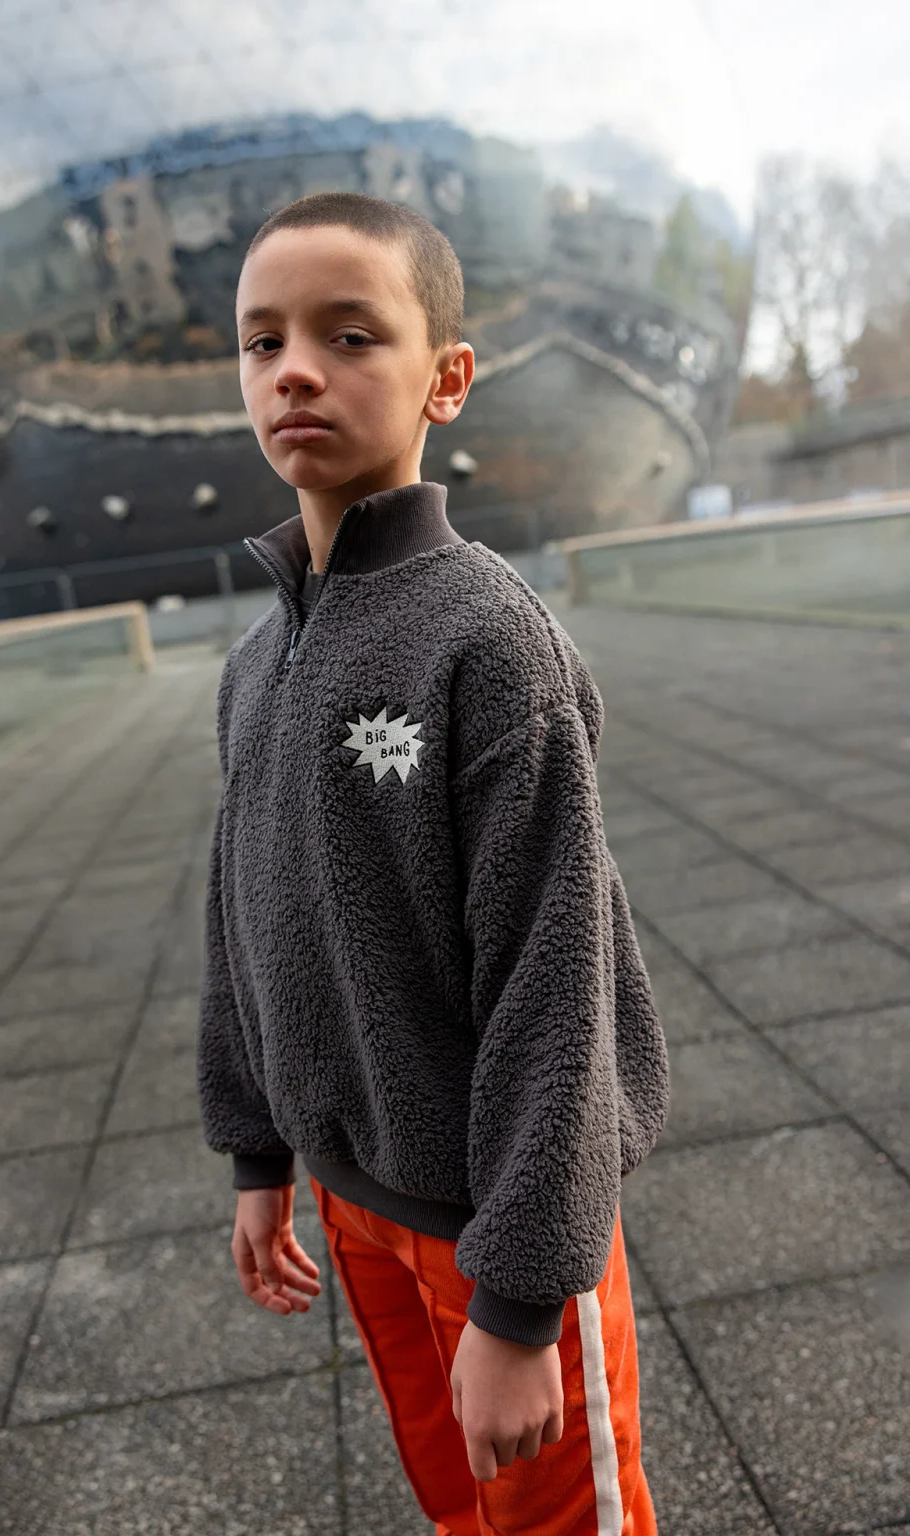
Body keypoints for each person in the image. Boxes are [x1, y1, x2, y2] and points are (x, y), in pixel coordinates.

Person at [197, 189, 670, 1536]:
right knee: (462, 1510)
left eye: (351, 335)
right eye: (262, 339)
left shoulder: (487, 642)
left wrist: (521, 1298)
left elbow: (555, 971)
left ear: (445, 379)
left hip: (503, 1219)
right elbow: (243, 917)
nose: (296, 367)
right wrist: (255, 1152)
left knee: (563, 1518)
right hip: (356, 1204)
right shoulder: (256, 664)